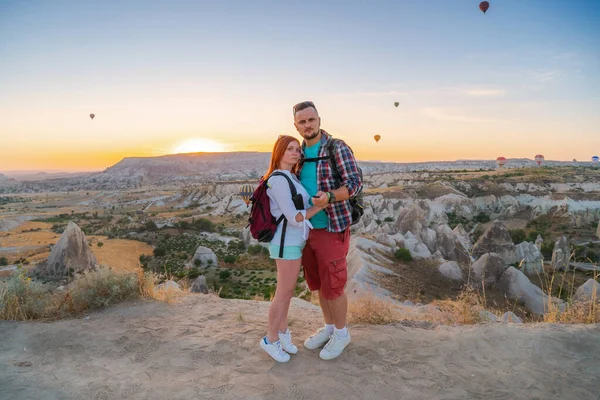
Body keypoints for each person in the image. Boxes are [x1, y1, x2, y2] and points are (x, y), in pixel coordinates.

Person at [293, 100, 363, 360]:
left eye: (311, 120)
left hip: (332, 227)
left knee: (333, 285)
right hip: (306, 230)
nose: (307, 125)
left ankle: (342, 334)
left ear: (319, 120)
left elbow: (355, 184)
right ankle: (330, 328)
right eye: (302, 121)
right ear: (296, 126)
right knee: (320, 285)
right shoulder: (298, 153)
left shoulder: (337, 148)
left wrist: (330, 197)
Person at [260, 135, 326, 363]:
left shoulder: (291, 177)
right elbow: (295, 218)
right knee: (283, 294)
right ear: (279, 152)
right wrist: (322, 206)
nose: (296, 153)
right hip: (285, 244)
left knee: (287, 293)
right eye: (290, 149)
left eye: (298, 149)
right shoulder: (278, 180)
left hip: (293, 243)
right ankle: (270, 340)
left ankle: (282, 333)